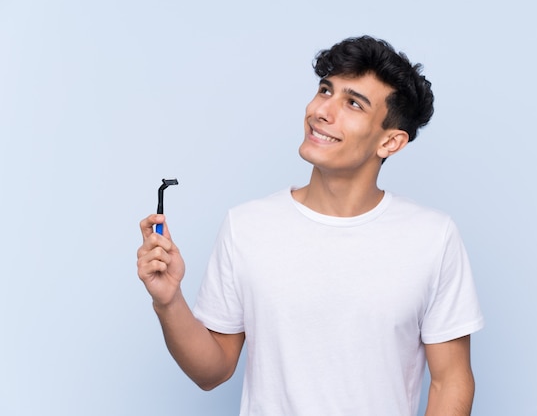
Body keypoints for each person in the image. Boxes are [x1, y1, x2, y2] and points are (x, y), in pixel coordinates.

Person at [137, 35, 484, 416]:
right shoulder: (247, 226)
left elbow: (450, 379)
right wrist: (168, 301)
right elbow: (212, 371)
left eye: (352, 103)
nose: (322, 111)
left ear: (391, 142)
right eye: (324, 90)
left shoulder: (432, 238)